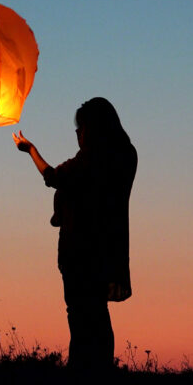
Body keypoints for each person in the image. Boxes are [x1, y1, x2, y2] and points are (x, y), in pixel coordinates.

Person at [12, 97, 137, 371]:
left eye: (80, 127)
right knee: (97, 314)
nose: (78, 133)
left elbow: (54, 177)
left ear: (91, 128)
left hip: (82, 248)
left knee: (81, 315)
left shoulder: (93, 158)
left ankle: (83, 376)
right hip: (109, 246)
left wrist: (31, 150)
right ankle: (99, 371)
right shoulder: (126, 154)